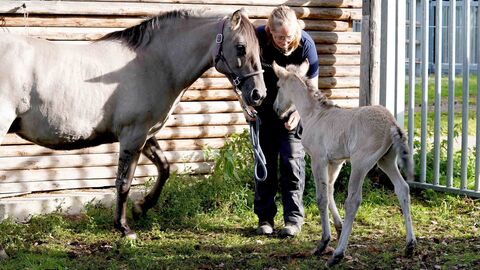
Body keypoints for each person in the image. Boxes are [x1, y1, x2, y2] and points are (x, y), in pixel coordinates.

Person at [246, 6, 319, 237]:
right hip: (263, 110)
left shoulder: (306, 46)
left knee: (292, 163)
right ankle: (265, 219)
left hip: (291, 112)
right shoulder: (257, 39)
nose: (285, 42)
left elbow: (312, 88)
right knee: (264, 165)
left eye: (289, 37)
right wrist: (244, 104)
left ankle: (293, 220)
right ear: (270, 31)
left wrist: (298, 114)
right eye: (279, 37)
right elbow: (241, 75)